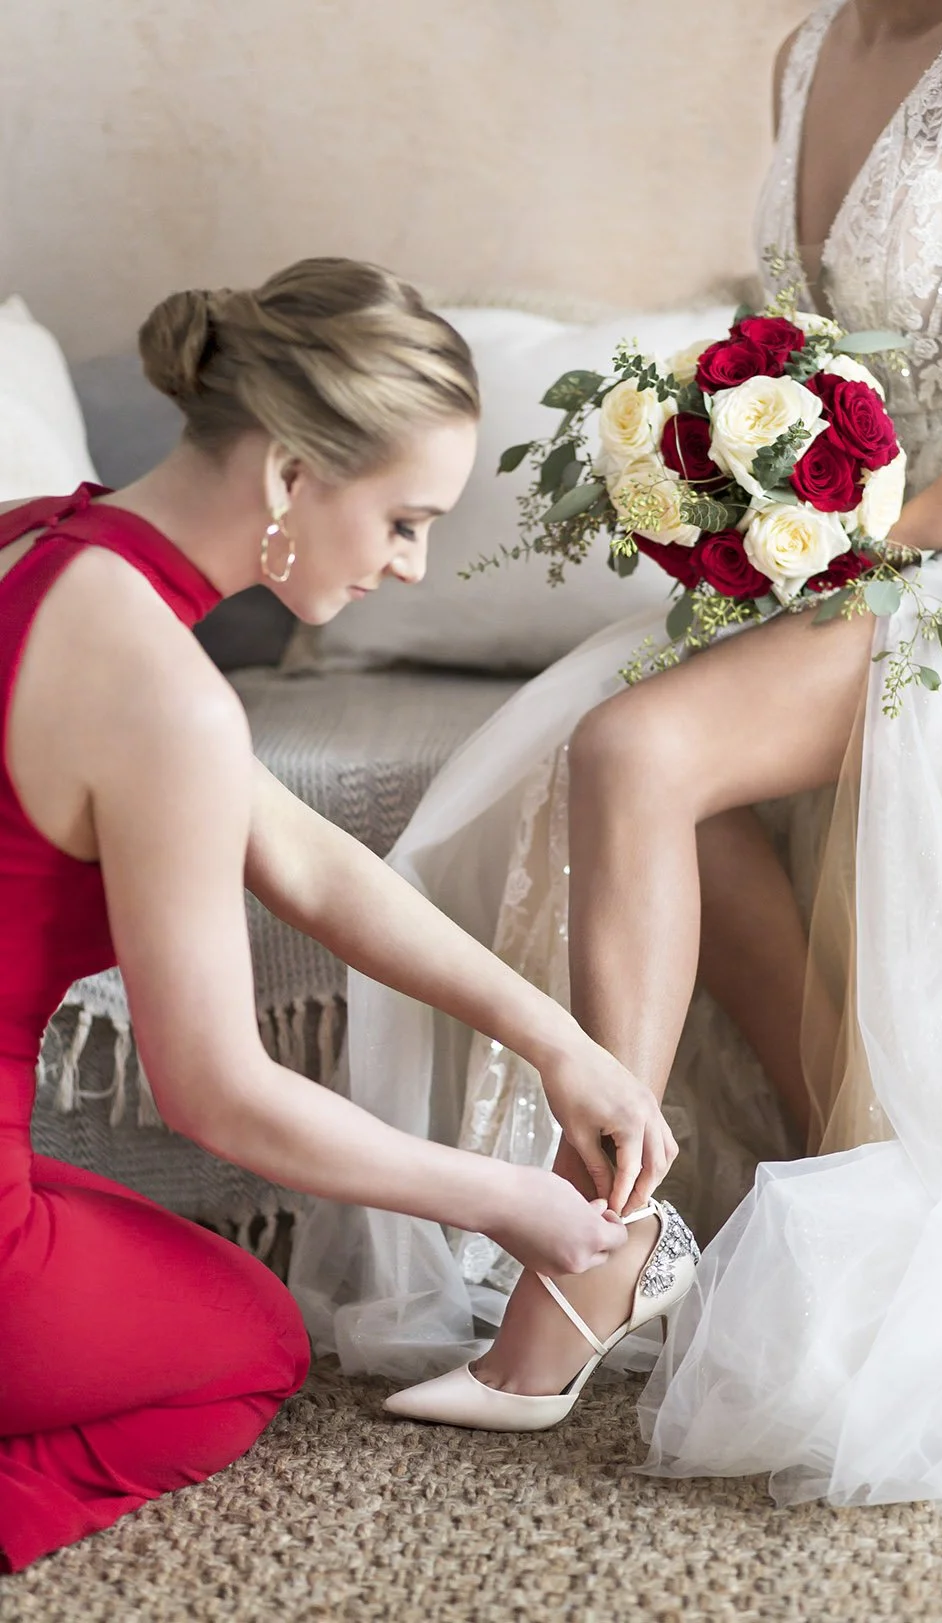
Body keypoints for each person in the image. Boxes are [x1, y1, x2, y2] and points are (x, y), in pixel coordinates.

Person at [298, 0, 942, 1509]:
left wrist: (877, 533)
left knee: (633, 748)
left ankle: (589, 1264)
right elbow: (807, 345)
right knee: (637, 791)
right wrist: (723, 482)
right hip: (846, 554)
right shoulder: (803, 51)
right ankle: (856, 1173)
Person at [0, 256, 681, 1571]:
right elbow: (221, 1099)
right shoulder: (160, 693)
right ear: (289, 475)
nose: (414, 565)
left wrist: (557, 1037)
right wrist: (510, 1205)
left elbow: (304, 862)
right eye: (404, 520)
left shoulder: (42, 540)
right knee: (251, 1346)